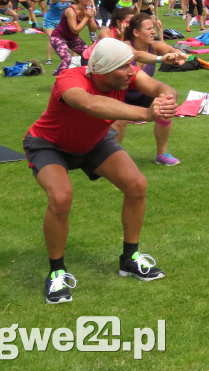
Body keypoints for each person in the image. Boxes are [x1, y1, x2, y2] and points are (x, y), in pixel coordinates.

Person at [24, 38, 178, 304]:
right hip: (49, 145)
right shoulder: (69, 81)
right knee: (60, 198)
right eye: (125, 67)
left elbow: (160, 86)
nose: (132, 71)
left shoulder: (125, 73)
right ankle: (57, 272)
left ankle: (129, 258)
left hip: (93, 143)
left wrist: (165, 99)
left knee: (136, 185)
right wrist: (146, 113)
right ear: (103, 71)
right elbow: (92, 105)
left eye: (132, 65)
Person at [111, 13, 188, 165]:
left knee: (167, 101)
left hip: (141, 94)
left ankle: (162, 154)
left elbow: (176, 52)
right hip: (121, 93)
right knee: (119, 120)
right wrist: (161, 59)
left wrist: (180, 56)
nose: (153, 32)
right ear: (136, 32)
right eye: (149, 29)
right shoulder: (125, 45)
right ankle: (112, 158)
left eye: (153, 28)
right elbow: (137, 55)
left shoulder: (156, 46)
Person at [50, 0, 99, 76]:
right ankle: (59, 78)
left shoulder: (87, 10)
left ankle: (86, 76)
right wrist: (86, 18)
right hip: (58, 37)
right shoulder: (70, 10)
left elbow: (93, 29)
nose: (90, 0)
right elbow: (75, 30)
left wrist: (91, 18)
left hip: (72, 39)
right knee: (67, 58)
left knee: (89, 55)